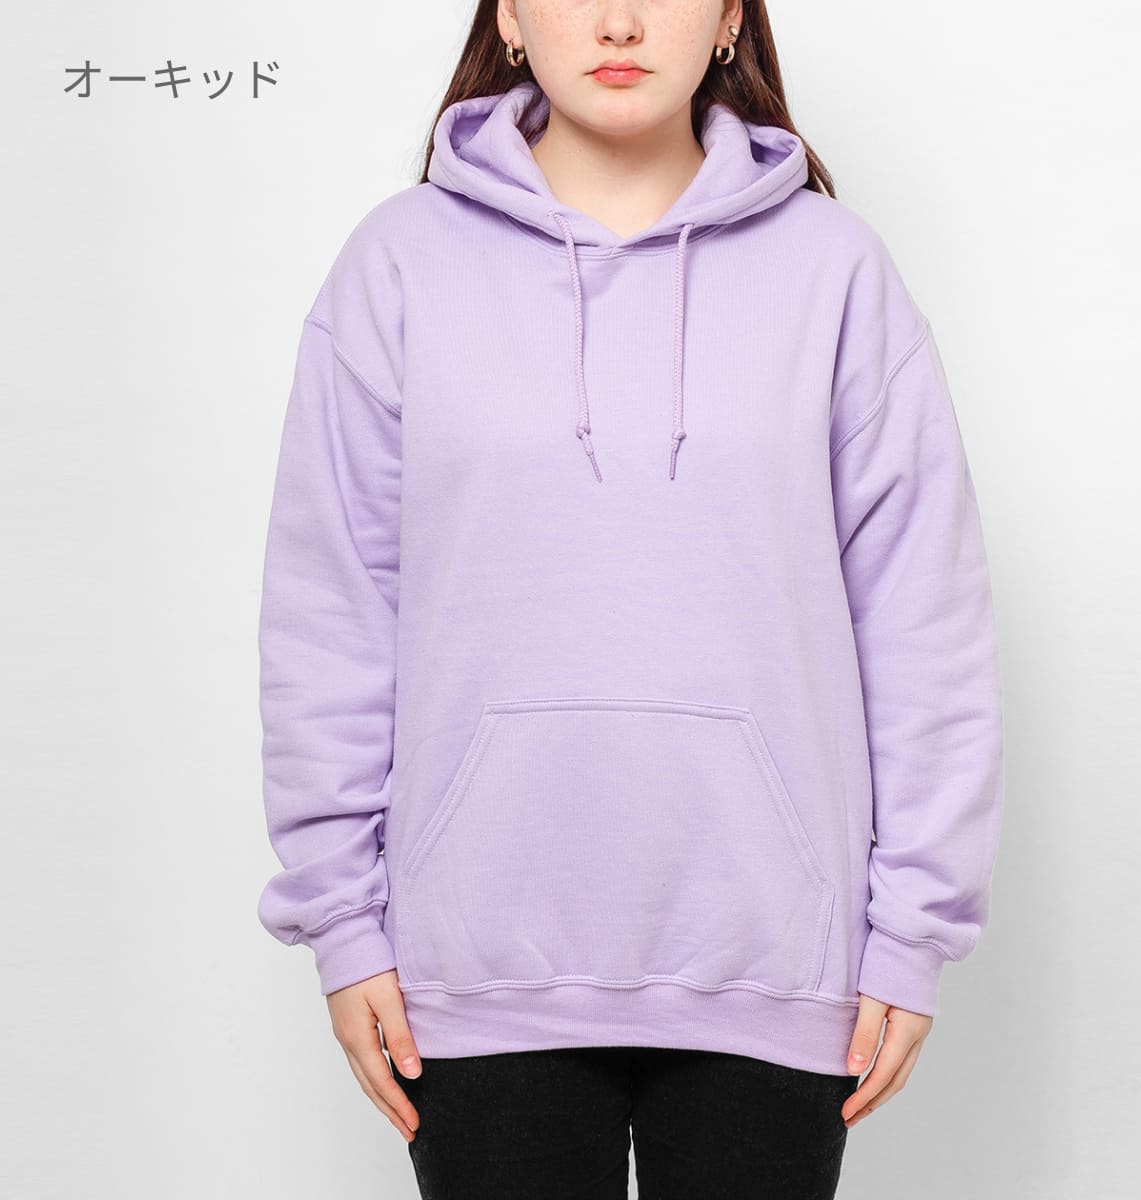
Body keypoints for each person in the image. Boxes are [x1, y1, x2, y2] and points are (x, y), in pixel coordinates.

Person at [254, 2, 1005, 1197]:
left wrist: (915, 927)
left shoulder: (835, 272)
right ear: (509, 16)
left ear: (728, 19)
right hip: (474, 967)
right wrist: (341, 922)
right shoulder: (397, 266)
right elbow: (331, 615)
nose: (617, 21)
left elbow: (923, 618)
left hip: (773, 962)